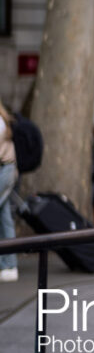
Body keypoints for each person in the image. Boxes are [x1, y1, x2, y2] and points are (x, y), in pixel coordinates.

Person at [0, 98, 18, 281]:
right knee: (4, 216)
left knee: (4, 218)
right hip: (6, 169)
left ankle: (9, 264)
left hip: (4, 170)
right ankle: (8, 264)